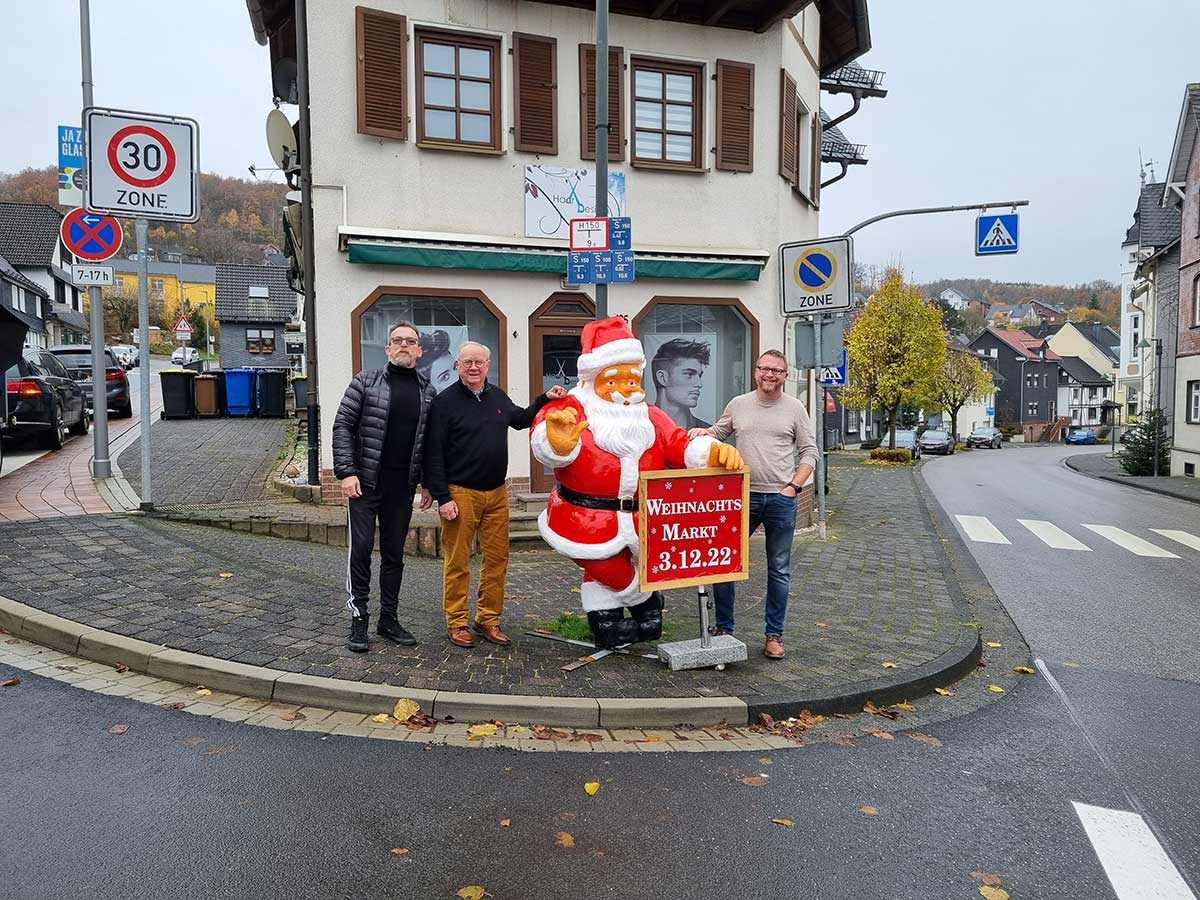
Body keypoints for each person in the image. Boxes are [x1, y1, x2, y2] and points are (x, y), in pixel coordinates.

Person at [531, 317, 745, 650]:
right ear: (592, 376)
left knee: (610, 573)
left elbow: (680, 444)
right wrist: (556, 441)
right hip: (584, 518)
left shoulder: (650, 416)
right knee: (603, 563)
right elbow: (547, 438)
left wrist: (713, 452)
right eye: (615, 377)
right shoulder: (572, 408)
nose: (627, 386)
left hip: (642, 517)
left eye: (632, 377)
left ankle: (607, 623)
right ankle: (647, 603)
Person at [424, 342, 566, 649]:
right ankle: (457, 621)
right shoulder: (444, 403)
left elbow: (519, 419)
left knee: (497, 559)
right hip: (460, 492)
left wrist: (545, 400)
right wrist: (442, 497)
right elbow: (432, 453)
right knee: (458, 561)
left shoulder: (497, 396)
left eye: (480, 362)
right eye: (468, 363)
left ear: (488, 365)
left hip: (497, 492)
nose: (474, 368)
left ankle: (487, 619)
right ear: (457, 366)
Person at [689, 349, 818, 660]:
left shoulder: (795, 409)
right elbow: (720, 433)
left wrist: (794, 487)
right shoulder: (739, 404)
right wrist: (703, 433)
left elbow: (810, 452)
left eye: (776, 370)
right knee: (724, 564)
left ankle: (774, 635)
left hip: (780, 500)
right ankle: (724, 629)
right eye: (764, 368)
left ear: (785, 376)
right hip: (740, 496)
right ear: (756, 371)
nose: (769, 374)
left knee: (779, 570)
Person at [332, 320, 436, 653]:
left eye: (411, 340)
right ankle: (359, 618)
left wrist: (428, 484)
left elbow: (429, 443)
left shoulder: (428, 391)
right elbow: (342, 426)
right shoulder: (365, 381)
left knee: (394, 555)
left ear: (419, 350)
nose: (404, 345)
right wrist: (347, 472)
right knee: (360, 551)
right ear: (388, 348)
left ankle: (388, 619)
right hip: (364, 484)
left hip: (401, 488)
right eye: (397, 340)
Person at [650, 338, 711, 429]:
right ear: (663, 378)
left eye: (699, 376)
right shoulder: (640, 429)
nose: (699, 384)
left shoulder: (706, 433)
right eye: (689, 374)